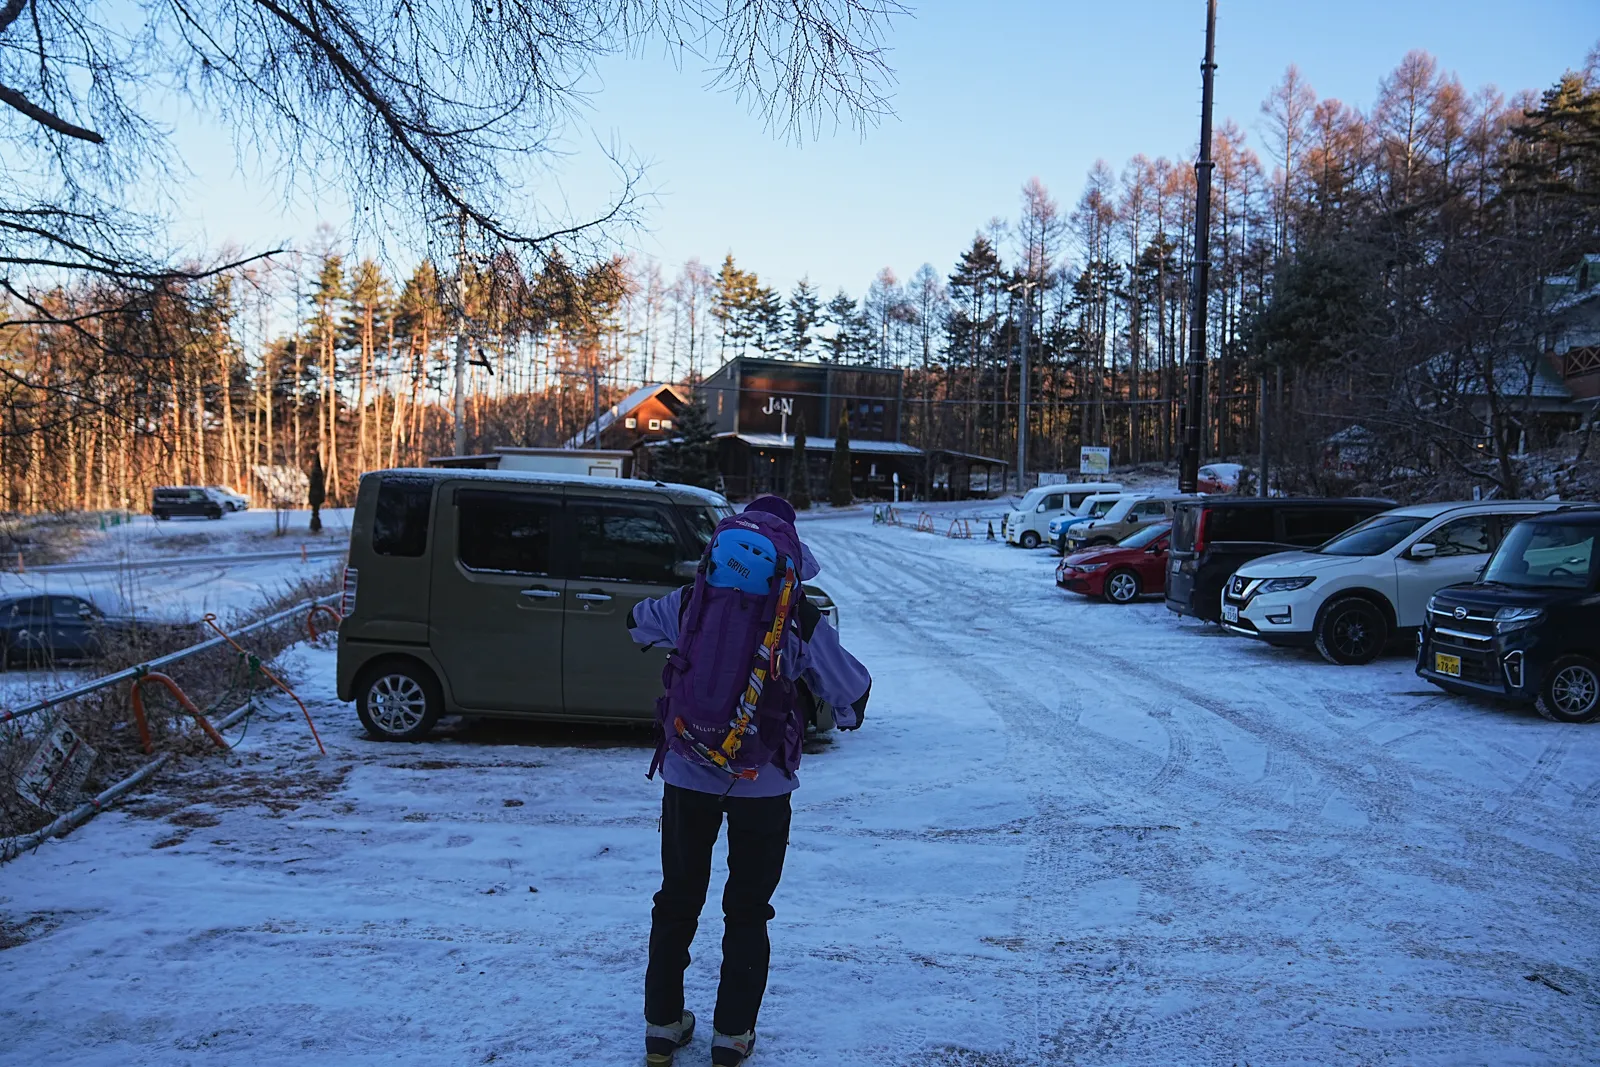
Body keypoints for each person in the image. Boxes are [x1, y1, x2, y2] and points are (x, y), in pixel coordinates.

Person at [628, 495, 871, 1067]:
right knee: (747, 908)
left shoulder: (695, 599)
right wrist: (844, 712)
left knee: (678, 897)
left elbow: (636, 622)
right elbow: (849, 688)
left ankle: (662, 1026)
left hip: (689, 769)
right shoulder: (798, 614)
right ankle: (731, 1035)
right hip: (763, 780)